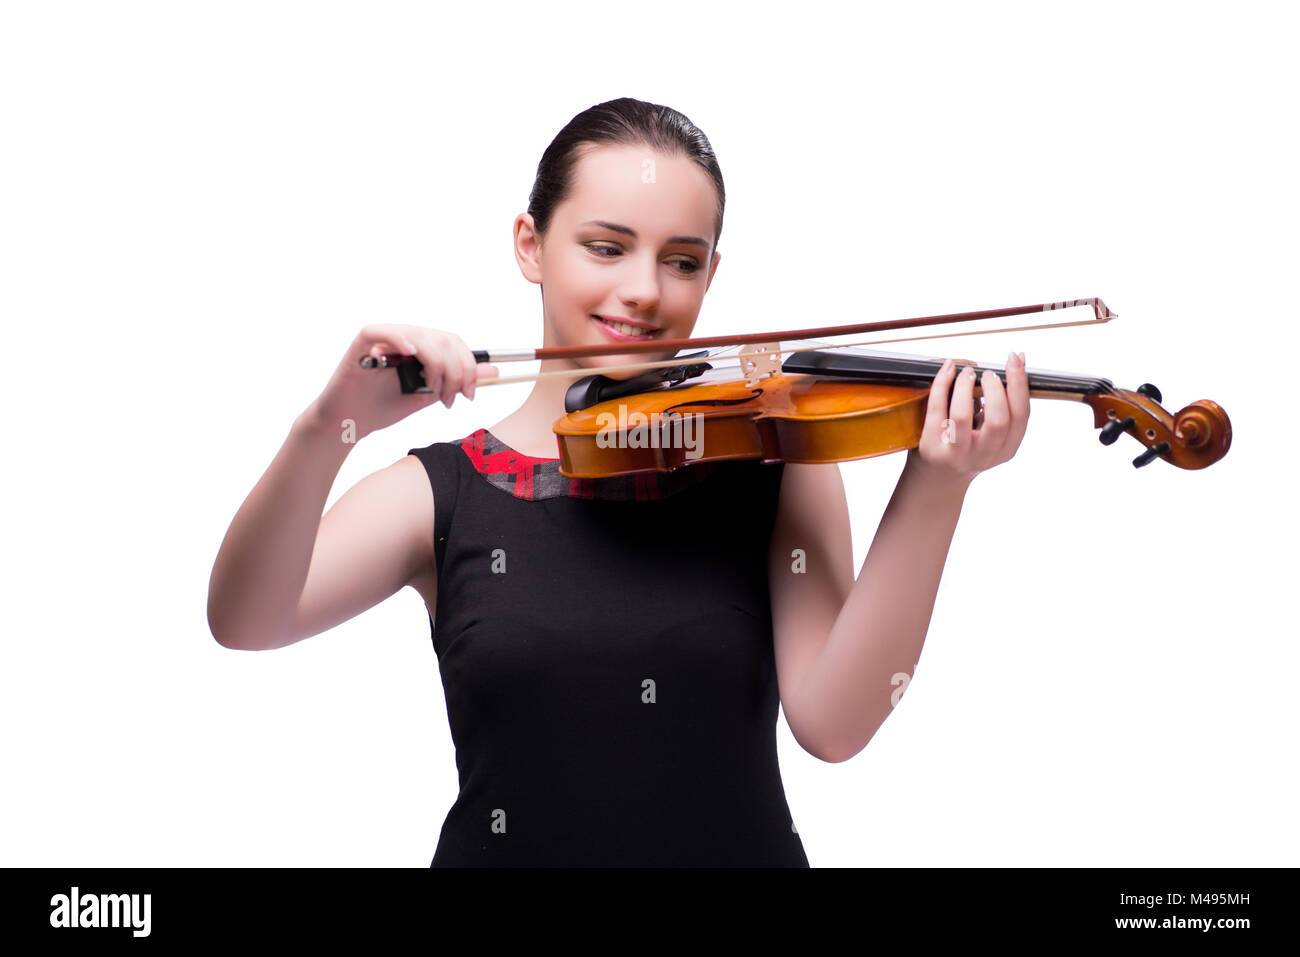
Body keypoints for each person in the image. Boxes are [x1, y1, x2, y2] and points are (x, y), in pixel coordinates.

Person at [206, 97, 1030, 867]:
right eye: (606, 246)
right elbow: (245, 620)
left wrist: (937, 482)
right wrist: (329, 426)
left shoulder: (774, 462)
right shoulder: (442, 492)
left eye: (681, 260)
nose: (643, 290)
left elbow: (835, 723)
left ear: (712, 273)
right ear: (530, 244)